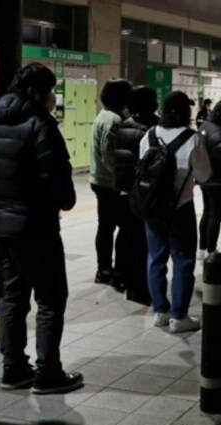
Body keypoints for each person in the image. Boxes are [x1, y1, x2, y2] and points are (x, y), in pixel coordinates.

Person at [0, 62, 82, 394]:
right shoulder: (40, 124)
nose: (51, 98)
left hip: (2, 225)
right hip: (37, 227)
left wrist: (1, 198)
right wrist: (64, 200)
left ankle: (14, 368)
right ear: (35, 92)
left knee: (13, 296)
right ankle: (48, 372)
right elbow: (55, 176)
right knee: (50, 297)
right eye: (49, 91)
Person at [141, 91, 211, 333]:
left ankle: (160, 311)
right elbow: (204, 175)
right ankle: (179, 316)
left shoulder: (149, 135)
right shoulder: (193, 139)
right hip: (181, 207)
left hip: (151, 207)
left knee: (155, 258)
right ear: (185, 112)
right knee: (183, 261)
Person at [112, 85, 159, 305]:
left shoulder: (123, 126)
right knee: (145, 242)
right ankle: (142, 289)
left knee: (130, 239)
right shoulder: (151, 129)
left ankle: (131, 285)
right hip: (144, 193)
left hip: (124, 191)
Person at [90, 78, 133, 290]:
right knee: (124, 227)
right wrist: (122, 179)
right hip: (110, 183)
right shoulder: (114, 120)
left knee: (105, 227)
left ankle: (104, 269)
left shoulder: (103, 115)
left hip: (100, 181)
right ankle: (117, 271)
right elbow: (109, 154)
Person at [197, 99, 221, 258]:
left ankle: (202, 248)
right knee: (216, 214)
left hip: (204, 176)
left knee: (207, 212)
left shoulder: (204, 126)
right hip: (216, 178)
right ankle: (211, 250)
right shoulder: (218, 132)